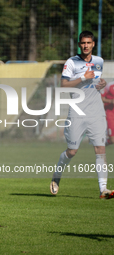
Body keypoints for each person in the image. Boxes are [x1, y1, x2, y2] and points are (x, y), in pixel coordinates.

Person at [49, 30, 114, 199]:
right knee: (72, 151)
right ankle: (57, 175)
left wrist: (101, 83)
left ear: (93, 44)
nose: (85, 46)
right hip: (77, 112)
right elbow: (64, 85)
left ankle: (103, 190)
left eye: (88, 43)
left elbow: (95, 82)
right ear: (79, 44)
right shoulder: (71, 62)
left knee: (100, 149)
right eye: (83, 43)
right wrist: (83, 78)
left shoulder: (99, 61)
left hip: (96, 112)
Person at [101, 81, 114, 145]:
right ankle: (103, 143)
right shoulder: (110, 85)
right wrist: (110, 101)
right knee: (112, 140)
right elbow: (101, 98)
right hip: (110, 114)